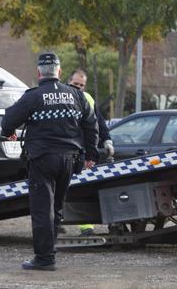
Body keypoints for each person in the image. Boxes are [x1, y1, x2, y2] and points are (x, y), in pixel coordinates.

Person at [1, 52, 98, 271]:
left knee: (42, 209)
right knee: (57, 207)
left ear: (38, 73)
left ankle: (45, 259)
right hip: (69, 160)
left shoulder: (33, 96)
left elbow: (8, 121)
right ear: (60, 72)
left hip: (42, 159)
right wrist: (91, 155)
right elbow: (92, 125)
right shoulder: (76, 95)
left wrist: (9, 133)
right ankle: (49, 252)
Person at [67, 69, 115, 236]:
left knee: (84, 189)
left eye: (81, 85)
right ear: (68, 81)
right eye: (75, 84)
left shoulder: (88, 98)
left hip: (84, 152)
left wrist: (107, 140)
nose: (78, 88)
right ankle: (55, 221)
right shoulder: (62, 97)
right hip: (66, 151)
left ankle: (86, 227)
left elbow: (99, 123)